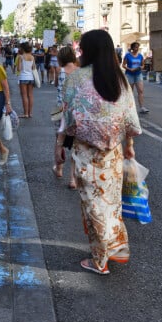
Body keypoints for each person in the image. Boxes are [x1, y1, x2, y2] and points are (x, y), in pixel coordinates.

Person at [63, 29, 142, 275]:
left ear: (87, 52)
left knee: (93, 205)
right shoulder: (120, 78)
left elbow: (67, 119)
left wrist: (60, 148)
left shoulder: (76, 78)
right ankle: (113, 249)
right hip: (114, 154)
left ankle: (100, 261)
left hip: (87, 152)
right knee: (110, 203)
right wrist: (129, 147)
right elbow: (130, 119)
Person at [52, 45, 78, 188]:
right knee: (75, 143)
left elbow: (56, 85)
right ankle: (72, 179)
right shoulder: (80, 72)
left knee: (58, 138)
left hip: (59, 108)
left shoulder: (60, 71)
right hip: (75, 108)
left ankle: (59, 168)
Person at [122, 42, 149, 114]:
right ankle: (128, 107)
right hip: (129, 74)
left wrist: (140, 67)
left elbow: (143, 65)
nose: (137, 49)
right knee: (130, 91)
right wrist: (129, 69)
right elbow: (123, 65)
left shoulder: (140, 56)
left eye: (137, 47)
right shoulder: (127, 55)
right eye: (135, 47)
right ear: (132, 48)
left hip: (138, 74)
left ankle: (142, 107)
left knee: (140, 90)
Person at [15, 41, 35, 118]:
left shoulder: (21, 57)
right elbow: (33, 68)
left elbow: (19, 69)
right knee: (30, 95)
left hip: (23, 77)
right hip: (31, 77)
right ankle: (30, 113)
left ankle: (25, 113)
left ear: (23, 49)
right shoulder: (32, 57)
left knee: (24, 96)